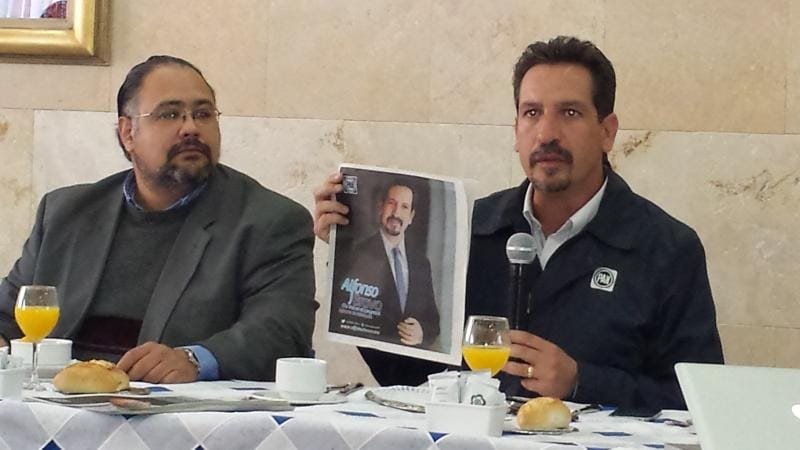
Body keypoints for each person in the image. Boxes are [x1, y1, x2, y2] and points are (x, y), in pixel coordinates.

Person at [313, 36, 723, 409]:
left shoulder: (667, 249)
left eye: (570, 113)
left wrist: (582, 381)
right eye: (532, 113)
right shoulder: (473, 230)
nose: (546, 133)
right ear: (515, 131)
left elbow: (698, 402)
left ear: (607, 132)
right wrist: (352, 256)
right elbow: (408, 376)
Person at [0, 55, 317, 384]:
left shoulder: (269, 221)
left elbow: (281, 331)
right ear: (128, 133)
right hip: (56, 404)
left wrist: (195, 359)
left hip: (180, 410)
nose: (191, 128)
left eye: (203, 114)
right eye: (170, 114)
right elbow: (8, 317)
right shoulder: (66, 213)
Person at [330, 182, 440, 349]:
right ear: (380, 208)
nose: (396, 213)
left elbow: (433, 321)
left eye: (404, 207)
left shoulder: (421, 263)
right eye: (391, 203)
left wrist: (422, 333)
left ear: (411, 217)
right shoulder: (356, 254)